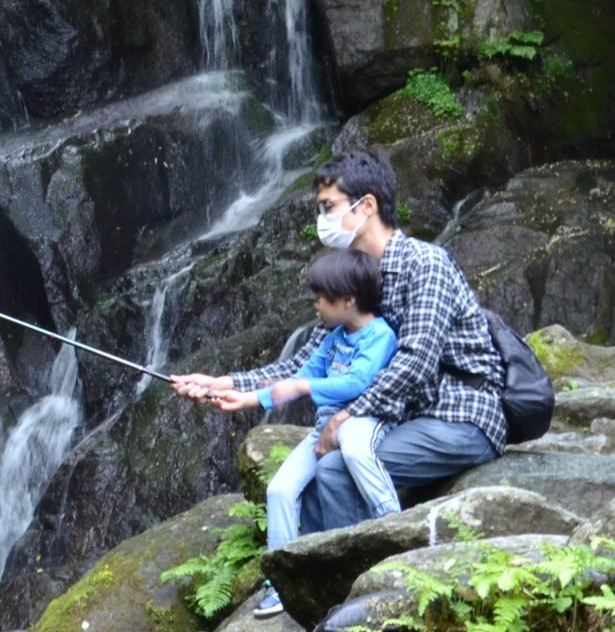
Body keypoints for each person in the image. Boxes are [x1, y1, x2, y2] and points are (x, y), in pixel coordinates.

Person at [174, 149, 505, 536]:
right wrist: (227, 384)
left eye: (328, 207)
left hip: (459, 416)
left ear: (367, 206)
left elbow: (415, 362)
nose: (322, 220)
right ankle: (296, 579)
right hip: (399, 421)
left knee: (333, 467)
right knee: (317, 471)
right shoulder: (352, 277)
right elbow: (306, 365)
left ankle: (368, 570)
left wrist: (344, 416)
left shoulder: (425, 265)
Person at [204, 251, 400, 617]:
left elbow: (358, 382)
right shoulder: (332, 337)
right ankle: (281, 583)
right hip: (323, 429)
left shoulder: (380, 335)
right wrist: (243, 398)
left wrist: (304, 387)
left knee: (357, 450)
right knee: (279, 490)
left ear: (347, 300)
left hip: (360, 419)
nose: (315, 307)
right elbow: (294, 378)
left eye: (320, 298)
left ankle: (393, 522)